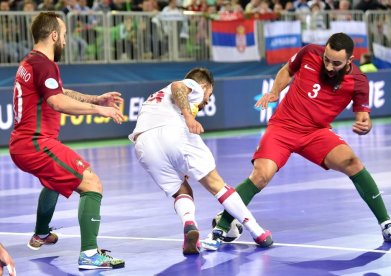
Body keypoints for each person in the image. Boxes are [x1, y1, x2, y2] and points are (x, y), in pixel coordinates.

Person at [203, 32, 391, 250]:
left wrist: (365, 126)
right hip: (283, 126)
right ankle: (221, 228)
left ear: (350, 60)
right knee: (261, 175)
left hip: (316, 133)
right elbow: (287, 70)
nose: (329, 66)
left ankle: (387, 224)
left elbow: (363, 117)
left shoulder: (359, 82)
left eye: (336, 63)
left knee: (352, 162)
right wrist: (275, 92)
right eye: (327, 60)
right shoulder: (310, 52)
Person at [9, 12, 125, 270]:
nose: (65, 41)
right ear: (53, 36)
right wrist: (100, 111)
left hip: (24, 143)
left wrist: (94, 99)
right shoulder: (44, 64)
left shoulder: (32, 62)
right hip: (36, 143)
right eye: (63, 35)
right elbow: (57, 101)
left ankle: (41, 234)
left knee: (54, 182)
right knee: (91, 183)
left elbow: (59, 92)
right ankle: (89, 254)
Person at [128, 67, 273, 254]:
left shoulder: (155, 97)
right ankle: (258, 232)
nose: (206, 101)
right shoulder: (194, 85)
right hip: (173, 130)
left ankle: (189, 224)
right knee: (217, 185)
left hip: (143, 144)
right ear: (204, 86)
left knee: (181, 190)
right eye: (209, 95)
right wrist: (188, 117)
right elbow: (178, 86)